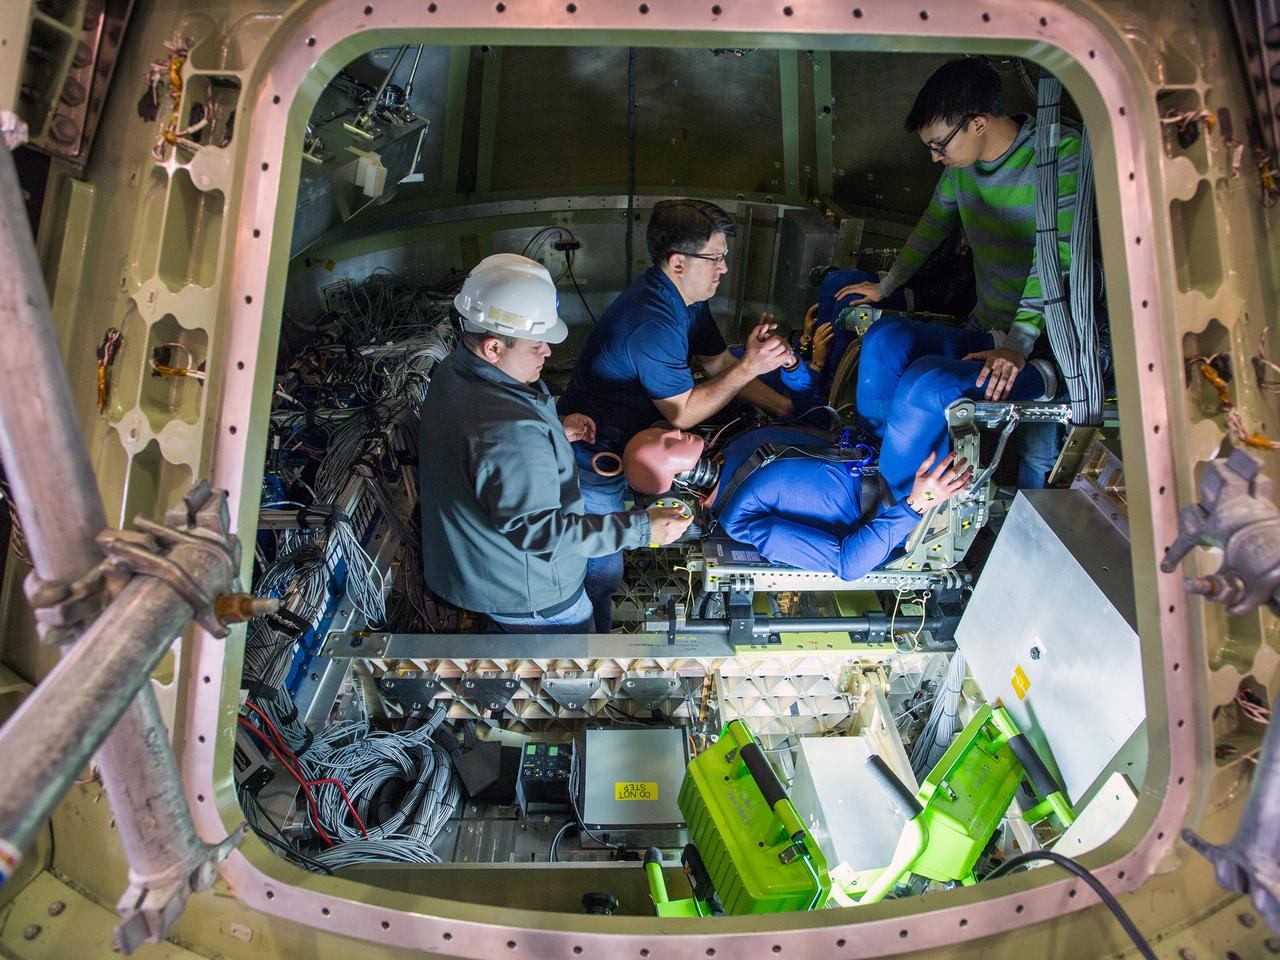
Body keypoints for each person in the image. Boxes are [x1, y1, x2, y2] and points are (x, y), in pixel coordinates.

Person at [838, 57, 1079, 493]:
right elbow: (931, 228)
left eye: (939, 145)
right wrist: (887, 286)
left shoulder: (1059, 155)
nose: (934, 158)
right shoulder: (960, 169)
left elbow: (1056, 258)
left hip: (1051, 340)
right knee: (884, 339)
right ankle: (871, 481)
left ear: (979, 124)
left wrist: (1020, 345)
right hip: (990, 325)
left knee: (1035, 457)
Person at [419, 254, 691, 633]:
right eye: (535, 346)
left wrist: (552, 430)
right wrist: (643, 529)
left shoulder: (455, 371)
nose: (547, 351)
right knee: (573, 682)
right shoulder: (507, 429)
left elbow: (481, 453)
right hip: (535, 597)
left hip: (487, 572)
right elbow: (541, 531)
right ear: (494, 348)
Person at [558, 198, 793, 629]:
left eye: (726, 257)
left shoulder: (689, 299)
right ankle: (591, 639)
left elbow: (720, 364)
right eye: (716, 259)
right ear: (678, 262)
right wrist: (750, 366)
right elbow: (683, 413)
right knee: (601, 570)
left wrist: (787, 409)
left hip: (634, 436)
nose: (724, 268)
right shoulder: (654, 322)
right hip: (593, 457)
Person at [622, 425, 971, 581]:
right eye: (665, 445)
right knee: (927, 387)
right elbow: (848, 564)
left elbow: (804, 419)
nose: (675, 433)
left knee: (885, 339)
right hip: (896, 492)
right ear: (673, 483)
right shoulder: (739, 518)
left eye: (662, 431)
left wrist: (798, 365)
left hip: (875, 443)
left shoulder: (730, 445)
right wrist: (917, 503)